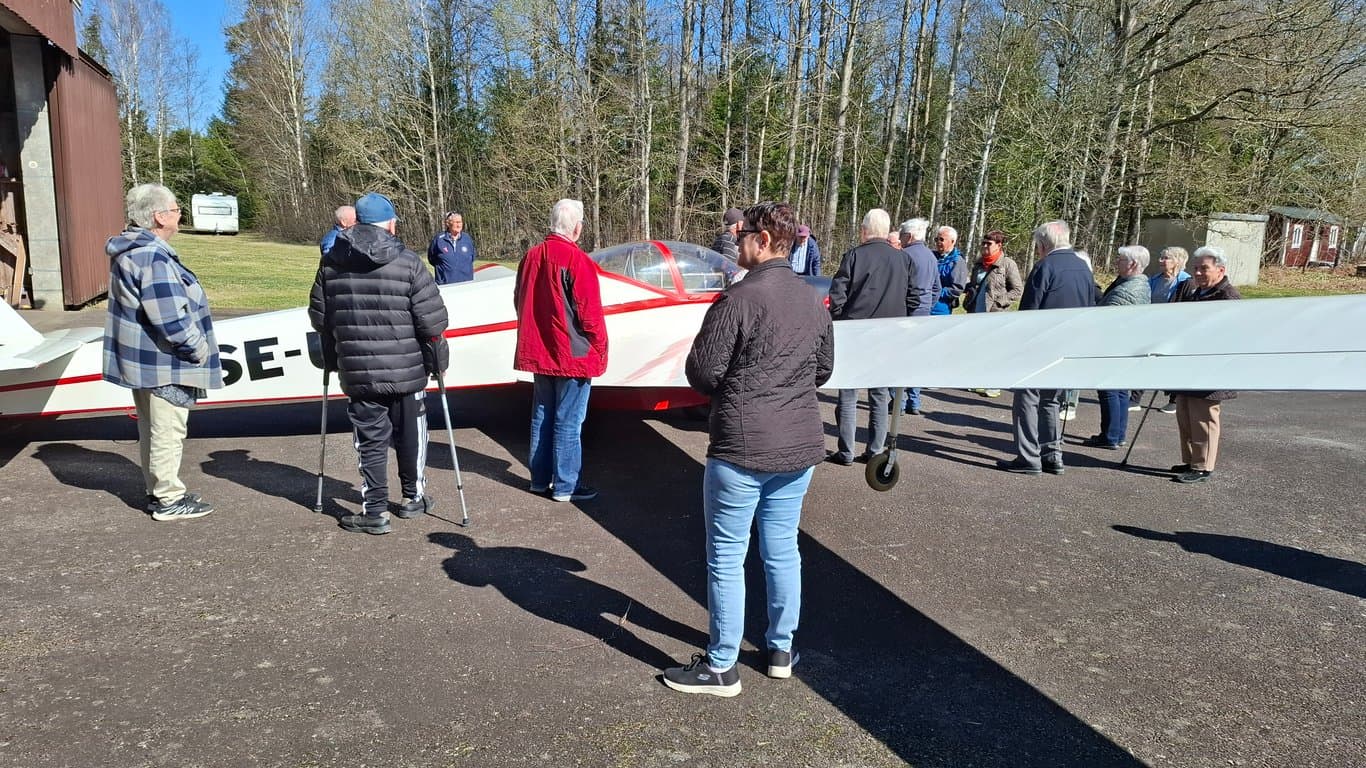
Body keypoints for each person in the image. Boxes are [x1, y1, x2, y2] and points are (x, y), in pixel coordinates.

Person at [663, 201, 834, 697]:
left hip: (742, 446)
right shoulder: (811, 300)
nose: (736, 240)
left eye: (743, 234)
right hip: (798, 446)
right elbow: (824, 369)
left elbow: (702, 373)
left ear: (763, 240)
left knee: (726, 557)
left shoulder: (737, 299)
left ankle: (722, 665)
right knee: (782, 550)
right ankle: (781, 649)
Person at [308, 192, 450, 535]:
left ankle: (374, 511)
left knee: (370, 441)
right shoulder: (408, 262)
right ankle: (413, 497)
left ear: (356, 222)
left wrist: (332, 359)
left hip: (359, 372)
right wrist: (438, 363)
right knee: (411, 435)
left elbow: (320, 318)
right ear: (390, 224)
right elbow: (433, 323)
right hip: (407, 370)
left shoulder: (331, 262)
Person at [104, 184, 223, 522]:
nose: (179, 215)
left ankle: (158, 491)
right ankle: (169, 499)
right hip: (163, 363)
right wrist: (198, 348)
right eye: (175, 209)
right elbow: (170, 318)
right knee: (167, 431)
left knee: (153, 428)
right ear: (159, 217)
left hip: (144, 361)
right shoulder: (152, 257)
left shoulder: (133, 250)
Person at [514, 199, 608, 502]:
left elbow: (519, 299)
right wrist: (601, 348)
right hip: (572, 354)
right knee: (568, 421)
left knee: (542, 415)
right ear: (577, 228)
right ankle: (566, 484)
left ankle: (540, 480)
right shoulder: (577, 260)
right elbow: (590, 314)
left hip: (540, 350)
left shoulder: (530, 257)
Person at [999, 220, 1098, 475]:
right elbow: (1090, 306)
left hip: (1040, 344)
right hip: (1068, 345)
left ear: (1043, 245)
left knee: (1026, 399)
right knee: (1051, 400)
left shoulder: (1045, 266)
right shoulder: (1083, 268)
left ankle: (1028, 457)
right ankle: (1052, 454)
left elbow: (1029, 311)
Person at [826, 209, 909, 465]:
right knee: (880, 395)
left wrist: (838, 321)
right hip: (889, 334)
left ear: (864, 230)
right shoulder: (903, 259)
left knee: (848, 394)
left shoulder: (854, 256)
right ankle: (875, 450)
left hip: (855, 332)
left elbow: (837, 296)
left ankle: (846, 451)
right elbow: (914, 296)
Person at [1170, 246, 1241, 484]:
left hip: (1211, 369)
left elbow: (1231, 335)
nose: (1198, 273)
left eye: (1204, 268)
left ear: (1220, 270)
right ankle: (1191, 460)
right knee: (1185, 415)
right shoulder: (1195, 292)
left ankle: (1203, 466)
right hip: (1189, 366)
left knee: (1204, 419)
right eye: (1196, 268)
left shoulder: (1228, 297)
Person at [1082, 245, 1151, 450]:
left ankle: (1111, 436)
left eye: (1120, 259)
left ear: (1133, 264)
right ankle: (1117, 434)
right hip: (1124, 345)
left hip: (1114, 345)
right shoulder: (1136, 283)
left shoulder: (1128, 289)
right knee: (1120, 391)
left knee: (1110, 390)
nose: (1116, 262)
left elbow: (1106, 318)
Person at [963, 230, 1023, 398]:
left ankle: (993, 385)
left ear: (999, 245)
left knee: (994, 351)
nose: (984, 246)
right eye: (983, 243)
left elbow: (1017, 290)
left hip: (996, 314)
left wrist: (999, 303)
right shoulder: (979, 263)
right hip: (976, 311)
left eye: (988, 244)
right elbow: (974, 285)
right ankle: (977, 381)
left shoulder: (1007, 264)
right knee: (977, 349)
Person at [1140, 246, 1191, 414]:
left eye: (1165, 258)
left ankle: (1174, 401)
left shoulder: (1186, 281)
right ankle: (1135, 398)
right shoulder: (1154, 279)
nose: (1160, 261)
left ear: (1177, 261)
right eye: (1161, 257)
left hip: (1174, 330)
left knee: (1172, 365)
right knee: (1145, 361)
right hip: (1152, 328)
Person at [899, 217, 941, 413]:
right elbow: (936, 288)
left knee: (900, 358)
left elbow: (902, 287)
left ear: (909, 236)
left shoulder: (904, 255)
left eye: (902, 235)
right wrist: (927, 305)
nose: (900, 238)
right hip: (923, 313)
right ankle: (914, 400)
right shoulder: (931, 257)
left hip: (906, 313)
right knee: (916, 358)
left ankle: (898, 401)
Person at [427, 210, 478, 285]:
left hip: (466, 284)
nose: (459, 225)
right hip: (445, 285)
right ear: (448, 223)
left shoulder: (467, 238)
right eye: (456, 222)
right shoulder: (439, 240)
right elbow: (431, 258)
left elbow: (472, 257)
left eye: (460, 222)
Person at [931, 225, 968, 316]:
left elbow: (957, 289)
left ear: (952, 241)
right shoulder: (931, 256)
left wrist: (935, 293)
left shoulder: (957, 261)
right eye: (936, 239)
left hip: (941, 308)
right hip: (926, 304)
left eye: (941, 239)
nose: (938, 242)